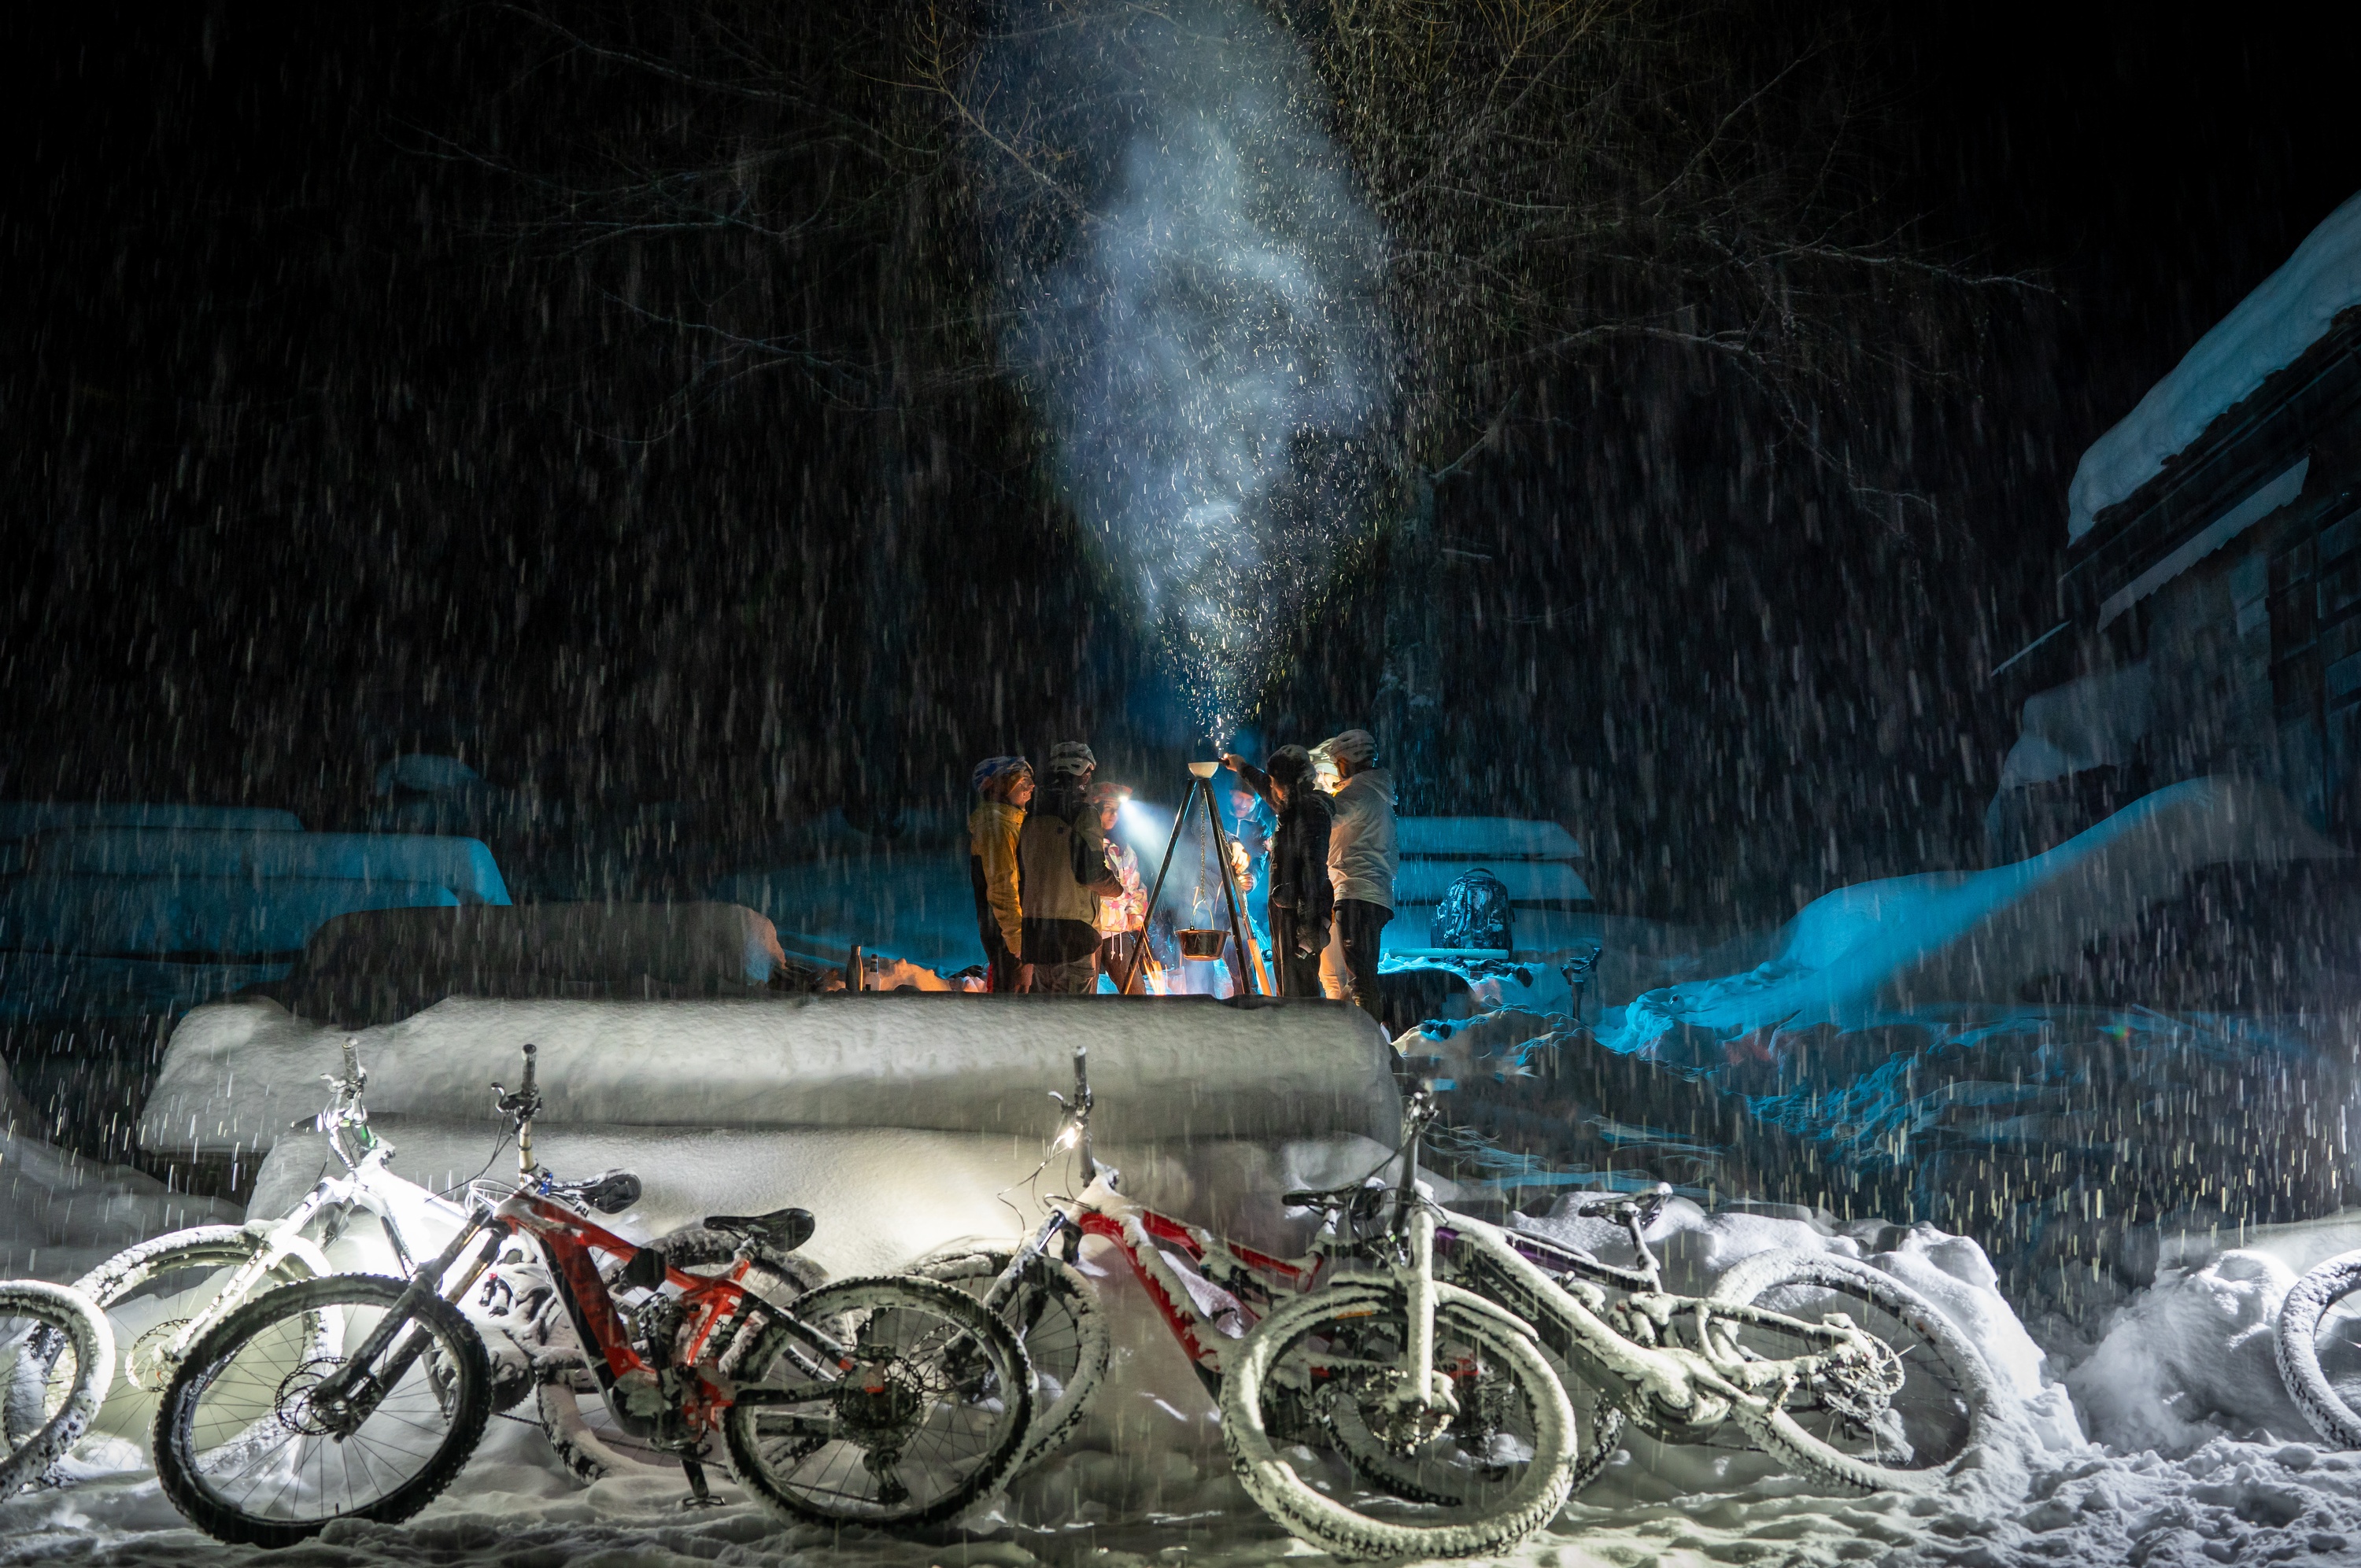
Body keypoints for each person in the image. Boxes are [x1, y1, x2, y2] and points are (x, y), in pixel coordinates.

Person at [1222, 745, 1332, 998]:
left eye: (1274, 782)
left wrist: (1309, 927)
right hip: (1287, 910)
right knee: (1287, 984)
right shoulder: (1292, 806)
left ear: (1286, 783)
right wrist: (1241, 766)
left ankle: (1302, 1033)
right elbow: (1265, 786)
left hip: (1299, 918)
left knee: (1299, 989)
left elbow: (1314, 871)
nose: (1270, 787)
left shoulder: (1309, 812)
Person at [1018, 741, 1122, 992]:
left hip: (1036, 935)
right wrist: (1116, 890)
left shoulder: (1029, 816)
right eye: (1089, 773)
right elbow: (1090, 871)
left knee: (1046, 1020)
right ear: (1083, 772)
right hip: (1073, 936)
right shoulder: (1083, 814)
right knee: (1075, 1023)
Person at [1312, 729, 1397, 1025]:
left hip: (1357, 894)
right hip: (1358, 893)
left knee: (1359, 979)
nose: (1336, 771)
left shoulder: (1359, 791)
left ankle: (1369, 1042)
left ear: (1347, 761)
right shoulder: (1374, 790)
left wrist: (1305, 794)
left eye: (1338, 764)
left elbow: (1322, 817)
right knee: (1339, 975)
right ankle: (1348, 1037)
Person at [966, 755, 1033, 992]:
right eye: (1022, 779)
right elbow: (1002, 886)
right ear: (997, 785)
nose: (1031, 786)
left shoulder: (1012, 824)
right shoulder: (996, 827)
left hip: (1015, 935)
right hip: (1010, 938)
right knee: (1015, 1010)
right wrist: (1017, 942)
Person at [1090, 781, 1152, 987]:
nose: (1113, 815)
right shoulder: (1088, 844)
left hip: (1118, 932)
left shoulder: (1124, 849)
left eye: (1117, 810)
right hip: (1091, 928)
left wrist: (1136, 914)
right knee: (1086, 991)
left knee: (1134, 989)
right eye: (1107, 809)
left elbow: (1135, 886)